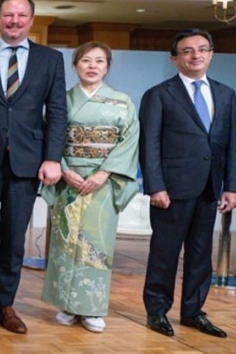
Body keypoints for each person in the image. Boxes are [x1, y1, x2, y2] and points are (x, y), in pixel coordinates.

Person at [0, 0, 67, 334]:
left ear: (31, 20)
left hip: (27, 162)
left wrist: (53, 158)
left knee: (13, 240)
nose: (14, 21)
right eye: (8, 15)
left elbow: (56, 112)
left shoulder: (50, 59)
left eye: (21, 15)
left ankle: (5, 306)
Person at [140, 29, 236, 339]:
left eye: (202, 49)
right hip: (171, 189)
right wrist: (155, 186)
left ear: (211, 54)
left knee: (201, 255)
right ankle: (157, 311)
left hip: (210, 188)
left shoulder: (226, 94)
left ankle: (193, 311)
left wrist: (232, 186)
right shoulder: (158, 94)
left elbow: (231, 144)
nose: (195, 55)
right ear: (175, 59)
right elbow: (150, 145)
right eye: (187, 51)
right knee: (165, 252)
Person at [40, 41, 139, 333]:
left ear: (107, 67)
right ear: (75, 66)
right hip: (67, 178)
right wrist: (65, 170)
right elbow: (49, 135)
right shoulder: (63, 100)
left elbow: (129, 139)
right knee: (65, 240)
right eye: (85, 61)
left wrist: (105, 173)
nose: (92, 66)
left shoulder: (122, 101)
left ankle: (93, 307)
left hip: (103, 181)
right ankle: (67, 304)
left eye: (99, 61)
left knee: (97, 244)